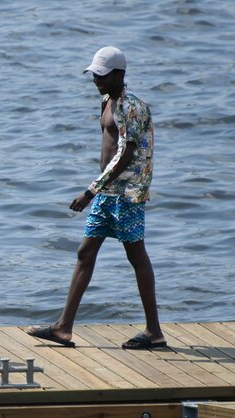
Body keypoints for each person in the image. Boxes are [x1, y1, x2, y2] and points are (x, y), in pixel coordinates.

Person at [27, 46, 166, 350]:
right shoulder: (107, 101)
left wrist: (90, 190)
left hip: (127, 194)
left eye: (102, 76)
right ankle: (63, 327)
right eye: (94, 75)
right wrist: (99, 189)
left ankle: (154, 331)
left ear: (119, 74)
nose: (97, 81)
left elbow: (127, 153)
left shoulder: (132, 107)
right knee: (85, 253)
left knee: (136, 255)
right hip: (108, 192)